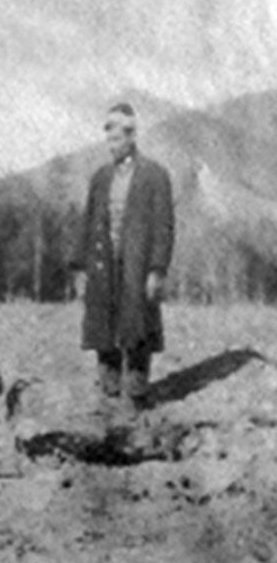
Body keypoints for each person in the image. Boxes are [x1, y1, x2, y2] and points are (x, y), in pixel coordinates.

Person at [71, 102, 175, 414]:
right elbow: (88, 222)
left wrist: (157, 269)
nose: (111, 146)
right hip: (103, 266)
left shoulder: (155, 175)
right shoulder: (100, 177)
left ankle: (137, 394)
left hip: (137, 266)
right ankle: (109, 389)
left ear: (131, 137)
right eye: (108, 140)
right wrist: (80, 266)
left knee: (139, 326)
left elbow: (164, 226)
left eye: (116, 140)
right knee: (104, 326)